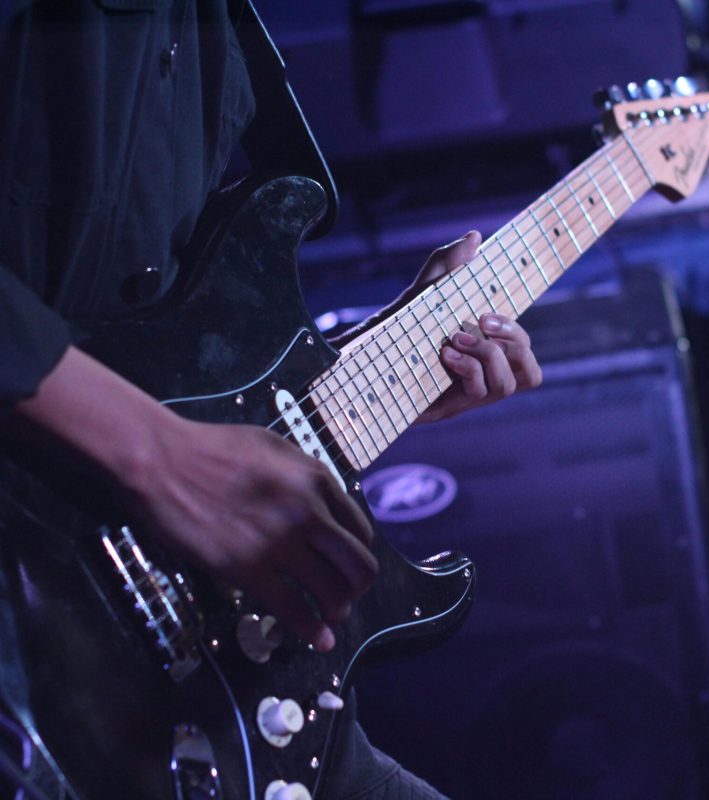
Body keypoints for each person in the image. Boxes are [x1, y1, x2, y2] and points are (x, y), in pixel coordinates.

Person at [0, 1, 541, 797]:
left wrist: (367, 370)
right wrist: (153, 454)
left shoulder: (214, 27)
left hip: (185, 676)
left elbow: (155, 339)